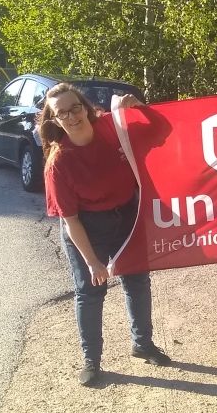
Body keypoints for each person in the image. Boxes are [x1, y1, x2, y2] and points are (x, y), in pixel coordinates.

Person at [37, 82, 171, 387]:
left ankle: (143, 344)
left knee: (137, 280)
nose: (71, 116)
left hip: (127, 216)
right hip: (87, 227)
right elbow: (70, 220)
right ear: (54, 120)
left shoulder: (113, 127)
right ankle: (92, 361)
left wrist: (139, 107)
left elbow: (161, 129)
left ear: (84, 106)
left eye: (75, 108)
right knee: (90, 290)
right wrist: (94, 262)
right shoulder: (58, 164)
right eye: (62, 113)